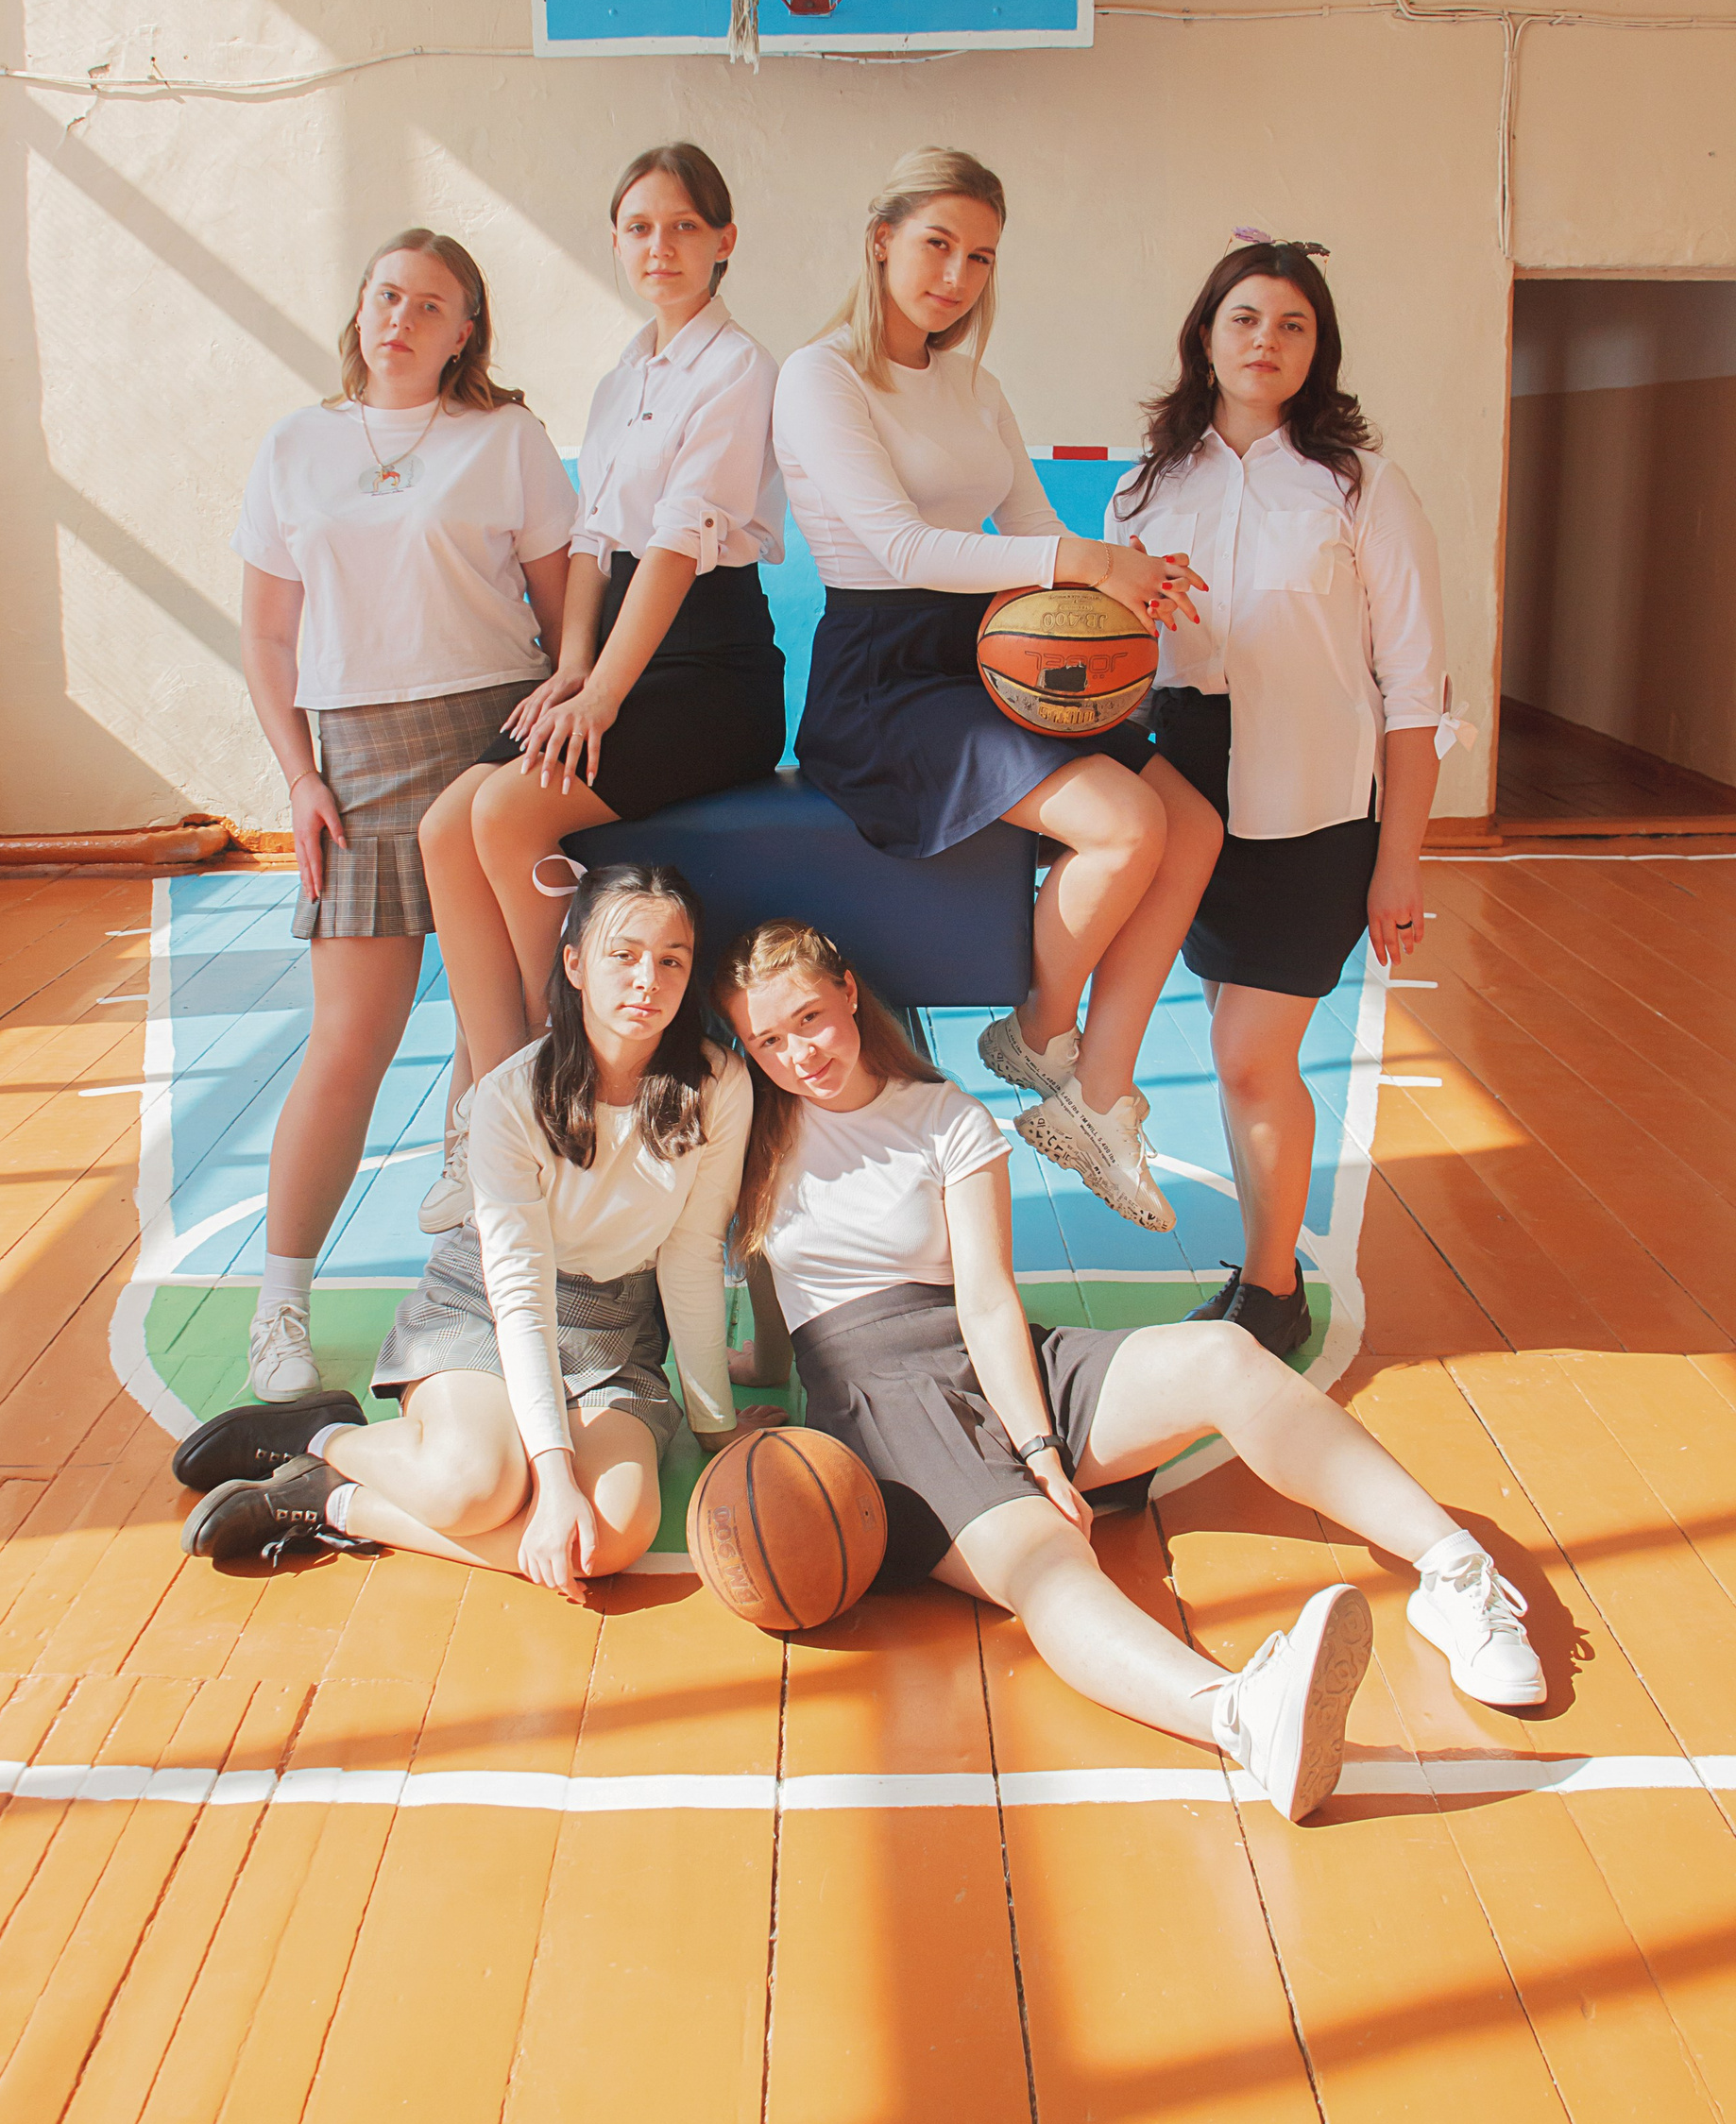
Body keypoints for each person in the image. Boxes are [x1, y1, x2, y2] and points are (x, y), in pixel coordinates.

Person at [716, 919, 1544, 1824]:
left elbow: (987, 1301)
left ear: (847, 990)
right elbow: (767, 1279)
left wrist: (1038, 1446)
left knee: (1224, 1354)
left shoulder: (944, 1116)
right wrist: (747, 1388)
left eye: (809, 1019)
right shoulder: (750, 1125)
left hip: (998, 1357)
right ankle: (1243, 1716)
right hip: (885, 1406)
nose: (798, 1055)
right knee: (1047, 1560)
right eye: (768, 1040)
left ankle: (1455, 1574)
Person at [772, 145, 1221, 1232]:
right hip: (884, 677)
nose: (956, 275)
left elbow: (1032, 532)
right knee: (1123, 825)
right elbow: (899, 546)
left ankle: (1096, 1094)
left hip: (992, 652)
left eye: (980, 257)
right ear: (880, 241)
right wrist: (1083, 563)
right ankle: (1036, 1032)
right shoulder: (819, 376)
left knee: (1192, 823)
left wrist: (1130, 580)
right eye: (937, 245)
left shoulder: (979, 387)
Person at [175, 864, 788, 1590]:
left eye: (671, 961)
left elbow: (690, 1256)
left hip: (612, 1329)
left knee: (607, 1543)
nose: (646, 980)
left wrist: (715, 1427)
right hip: (486, 1307)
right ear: (575, 964)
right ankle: (322, 1433)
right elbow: (520, 1292)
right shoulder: (512, 1096)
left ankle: (331, 1497)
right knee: (476, 1490)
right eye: (622, 955)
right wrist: (553, 1481)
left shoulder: (717, 1086)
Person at [231, 229, 575, 1401]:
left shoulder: (508, 439)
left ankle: (475, 1267)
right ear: (361, 308)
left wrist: (563, 721)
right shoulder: (296, 446)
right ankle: (280, 1305)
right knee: (350, 1041)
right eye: (388, 295)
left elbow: (565, 616)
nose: (402, 318)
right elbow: (267, 635)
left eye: (431, 305)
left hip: (497, 733)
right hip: (358, 753)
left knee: (507, 1019)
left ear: (465, 331)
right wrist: (300, 775)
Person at [417, 143, 788, 1213]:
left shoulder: (739, 367)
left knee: (507, 812)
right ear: (617, 243)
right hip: (619, 649)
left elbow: (672, 548)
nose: (659, 247)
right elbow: (594, 541)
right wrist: (571, 667)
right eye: (638, 228)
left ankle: (566, 1084)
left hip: (710, 668)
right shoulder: (624, 374)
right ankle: (502, 1114)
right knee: (444, 827)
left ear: (724, 241)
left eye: (683, 226)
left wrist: (605, 695)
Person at [1109, 238, 1450, 1353]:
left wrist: (1399, 861)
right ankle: (1267, 1274)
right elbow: (1121, 663)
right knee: (1237, 1050)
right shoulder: (1144, 487)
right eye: (1246, 319)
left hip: (1317, 808)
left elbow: (1416, 686)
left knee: (1252, 1054)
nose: (1267, 341)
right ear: (1206, 338)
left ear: (1318, 349)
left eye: (1293, 325)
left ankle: (1270, 1292)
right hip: (1191, 800)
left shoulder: (1363, 486)